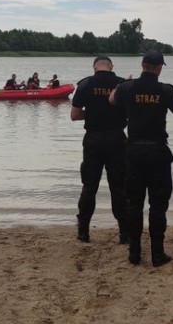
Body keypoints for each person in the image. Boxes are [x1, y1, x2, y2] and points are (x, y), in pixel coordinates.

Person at [109, 50, 173, 267]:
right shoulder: (166, 89)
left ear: (142, 65)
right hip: (158, 152)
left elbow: (112, 100)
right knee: (158, 204)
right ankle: (157, 253)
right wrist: (171, 92)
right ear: (160, 67)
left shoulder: (127, 87)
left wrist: (123, 84)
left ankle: (134, 252)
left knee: (134, 203)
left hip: (133, 152)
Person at [71, 56, 128, 244]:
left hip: (93, 139)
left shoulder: (85, 84)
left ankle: (83, 231)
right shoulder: (122, 84)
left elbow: (75, 115)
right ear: (111, 67)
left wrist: (93, 112)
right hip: (117, 139)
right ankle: (124, 232)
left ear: (94, 67)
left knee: (89, 186)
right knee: (118, 186)